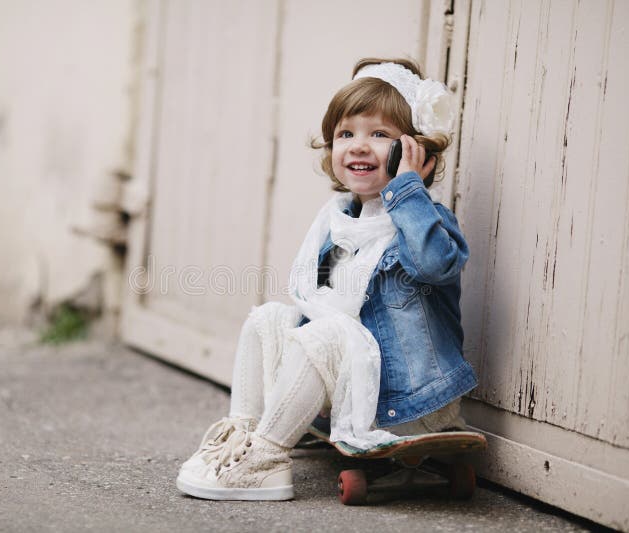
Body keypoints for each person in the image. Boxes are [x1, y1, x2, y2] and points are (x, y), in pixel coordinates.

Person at [175, 57, 476, 501]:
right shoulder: (338, 225)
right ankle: (242, 436)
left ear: (419, 156)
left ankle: (266, 460)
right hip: (359, 386)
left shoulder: (424, 221)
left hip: (412, 400)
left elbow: (434, 265)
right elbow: (319, 304)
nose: (357, 146)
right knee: (271, 318)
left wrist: (408, 190)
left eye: (379, 135)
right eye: (346, 134)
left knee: (328, 335)